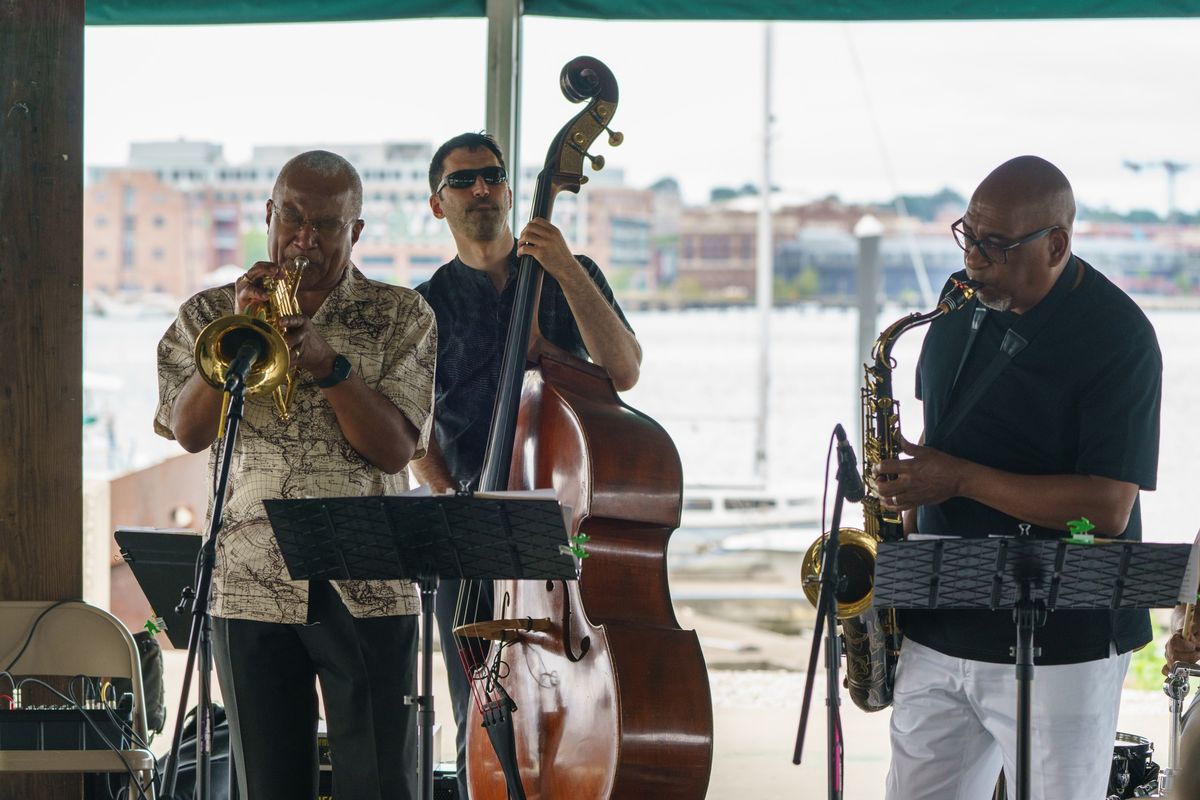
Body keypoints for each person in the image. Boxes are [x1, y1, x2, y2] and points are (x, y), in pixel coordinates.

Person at [875, 155, 1162, 800]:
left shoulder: (1119, 337)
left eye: (996, 245)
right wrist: (904, 508)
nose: (974, 259)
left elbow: (1107, 509)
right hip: (940, 623)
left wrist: (957, 480)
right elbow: (942, 450)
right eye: (967, 236)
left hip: (1063, 639)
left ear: (1057, 244)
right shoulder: (954, 308)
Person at [155, 150, 437, 800]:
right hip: (247, 582)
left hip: (365, 582)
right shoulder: (207, 316)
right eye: (294, 218)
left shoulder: (402, 315)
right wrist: (239, 331)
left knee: (379, 785)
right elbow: (189, 430)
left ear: (357, 231)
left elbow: (396, 450)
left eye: (328, 225)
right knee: (267, 786)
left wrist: (324, 362)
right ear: (269, 214)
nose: (305, 239)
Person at [409, 131, 640, 797]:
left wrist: (566, 268)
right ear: (436, 204)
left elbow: (622, 371)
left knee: (592, 702)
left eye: (491, 177)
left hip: (565, 528)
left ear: (511, 192)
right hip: (471, 533)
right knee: (477, 710)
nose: (480, 189)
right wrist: (454, 500)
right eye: (462, 181)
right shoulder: (427, 305)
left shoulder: (575, 273)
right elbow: (412, 426)